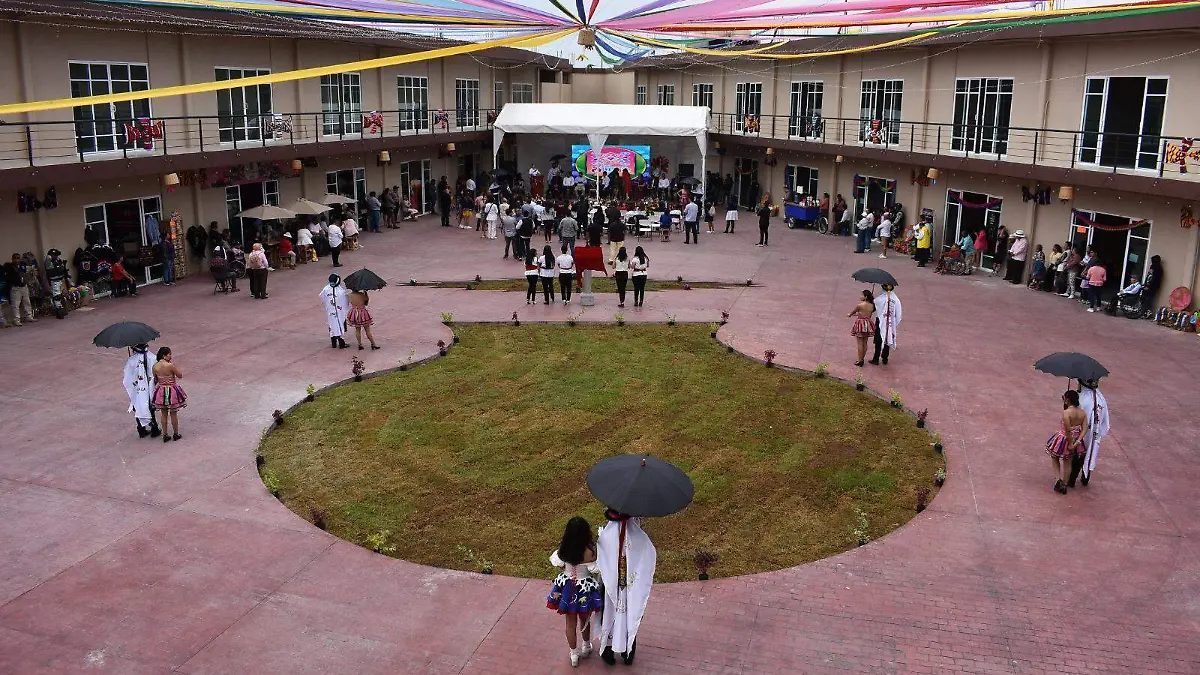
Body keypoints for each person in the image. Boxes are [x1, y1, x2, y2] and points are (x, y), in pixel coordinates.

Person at [597, 508, 656, 666]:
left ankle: (609, 650)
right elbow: (647, 555)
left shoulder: (606, 535)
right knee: (629, 612)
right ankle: (628, 651)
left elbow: (600, 560)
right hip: (628, 587)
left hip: (614, 585)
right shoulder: (638, 536)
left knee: (610, 613)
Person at [547, 516, 603, 666]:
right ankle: (586, 646)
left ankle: (573, 654)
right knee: (584, 619)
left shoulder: (564, 548)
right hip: (584, 590)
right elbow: (595, 568)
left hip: (567, 589)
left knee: (570, 623)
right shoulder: (589, 551)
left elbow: (559, 563)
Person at [1046, 389, 1088, 494]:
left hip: (1064, 439)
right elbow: (1084, 429)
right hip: (1076, 439)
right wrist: (1077, 442)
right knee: (1068, 461)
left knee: (1054, 456)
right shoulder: (1082, 413)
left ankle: (1058, 479)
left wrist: (1070, 444)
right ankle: (1064, 484)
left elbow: (1068, 430)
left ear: (1067, 400)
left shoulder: (1066, 413)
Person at [1069, 379, 1110, 487]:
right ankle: (1085, 476)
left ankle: (1071, 479)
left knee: (1077, 453)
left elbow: (1075, 417)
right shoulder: (1100, 398)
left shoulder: (1082, 398)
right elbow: (1104, 421)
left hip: (1082, 432)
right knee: (1091, 451)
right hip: (1094, 432)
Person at [122, 343, 160, 438]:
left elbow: (127, 378)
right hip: (149, 387)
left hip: (137, 388)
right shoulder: (152, 357)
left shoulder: (131, 360)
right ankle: (154, 428)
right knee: (149, 405)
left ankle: (141, 429)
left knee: (138, 405)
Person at [151, 346, 186, 443]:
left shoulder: (155, 366)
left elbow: (155, 379)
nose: (171, 356)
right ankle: (176, 434)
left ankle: (165, 434)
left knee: (163, 413)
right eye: (169, 354)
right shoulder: (170, 365)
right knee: (173, 413)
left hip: (161, 391)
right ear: (164, 355)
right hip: (171, 391)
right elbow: (180, 375)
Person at [869, 284, 902, 366]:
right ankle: (885, 358)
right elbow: (899, 314)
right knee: (888, 339)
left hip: (880, 321)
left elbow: (872, 309)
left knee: (878, 340)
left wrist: (871, 301)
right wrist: (894, 323)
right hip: (890, 323)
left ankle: (876, 359)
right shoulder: (896, 300)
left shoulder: (879, 299)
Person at [3, 254, 35, 325]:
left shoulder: (22, 265)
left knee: (27, 302)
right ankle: (17, 320)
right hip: (15, 287)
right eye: (15, 258)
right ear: (12, 259)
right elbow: (7, 278)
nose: (16, 260)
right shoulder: (9, 267)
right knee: (16, 304)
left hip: (24, 286)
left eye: (18, 258)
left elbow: (26, 273)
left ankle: (29, 316)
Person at [320, 274, 350, 349]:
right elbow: (345, 302)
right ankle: (341, 344)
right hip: (339, 312)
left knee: (332, 326)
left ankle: (333, 343)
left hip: (330, 311)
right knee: (340, 326)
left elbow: (322, 297)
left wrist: (328, 304)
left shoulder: (326, 289)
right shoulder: (341, 291)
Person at [848, 289, 875, 367]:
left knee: (860, 343)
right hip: (868, 324)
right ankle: (862, 358)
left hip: (861, 324)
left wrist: (850, 314)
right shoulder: (872, 306)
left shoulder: (860, 305)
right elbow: (867, 314)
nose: (860, 296)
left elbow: (853, 312)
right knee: (865, 343)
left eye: (862, 295)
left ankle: (859, 360)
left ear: (866, 297)